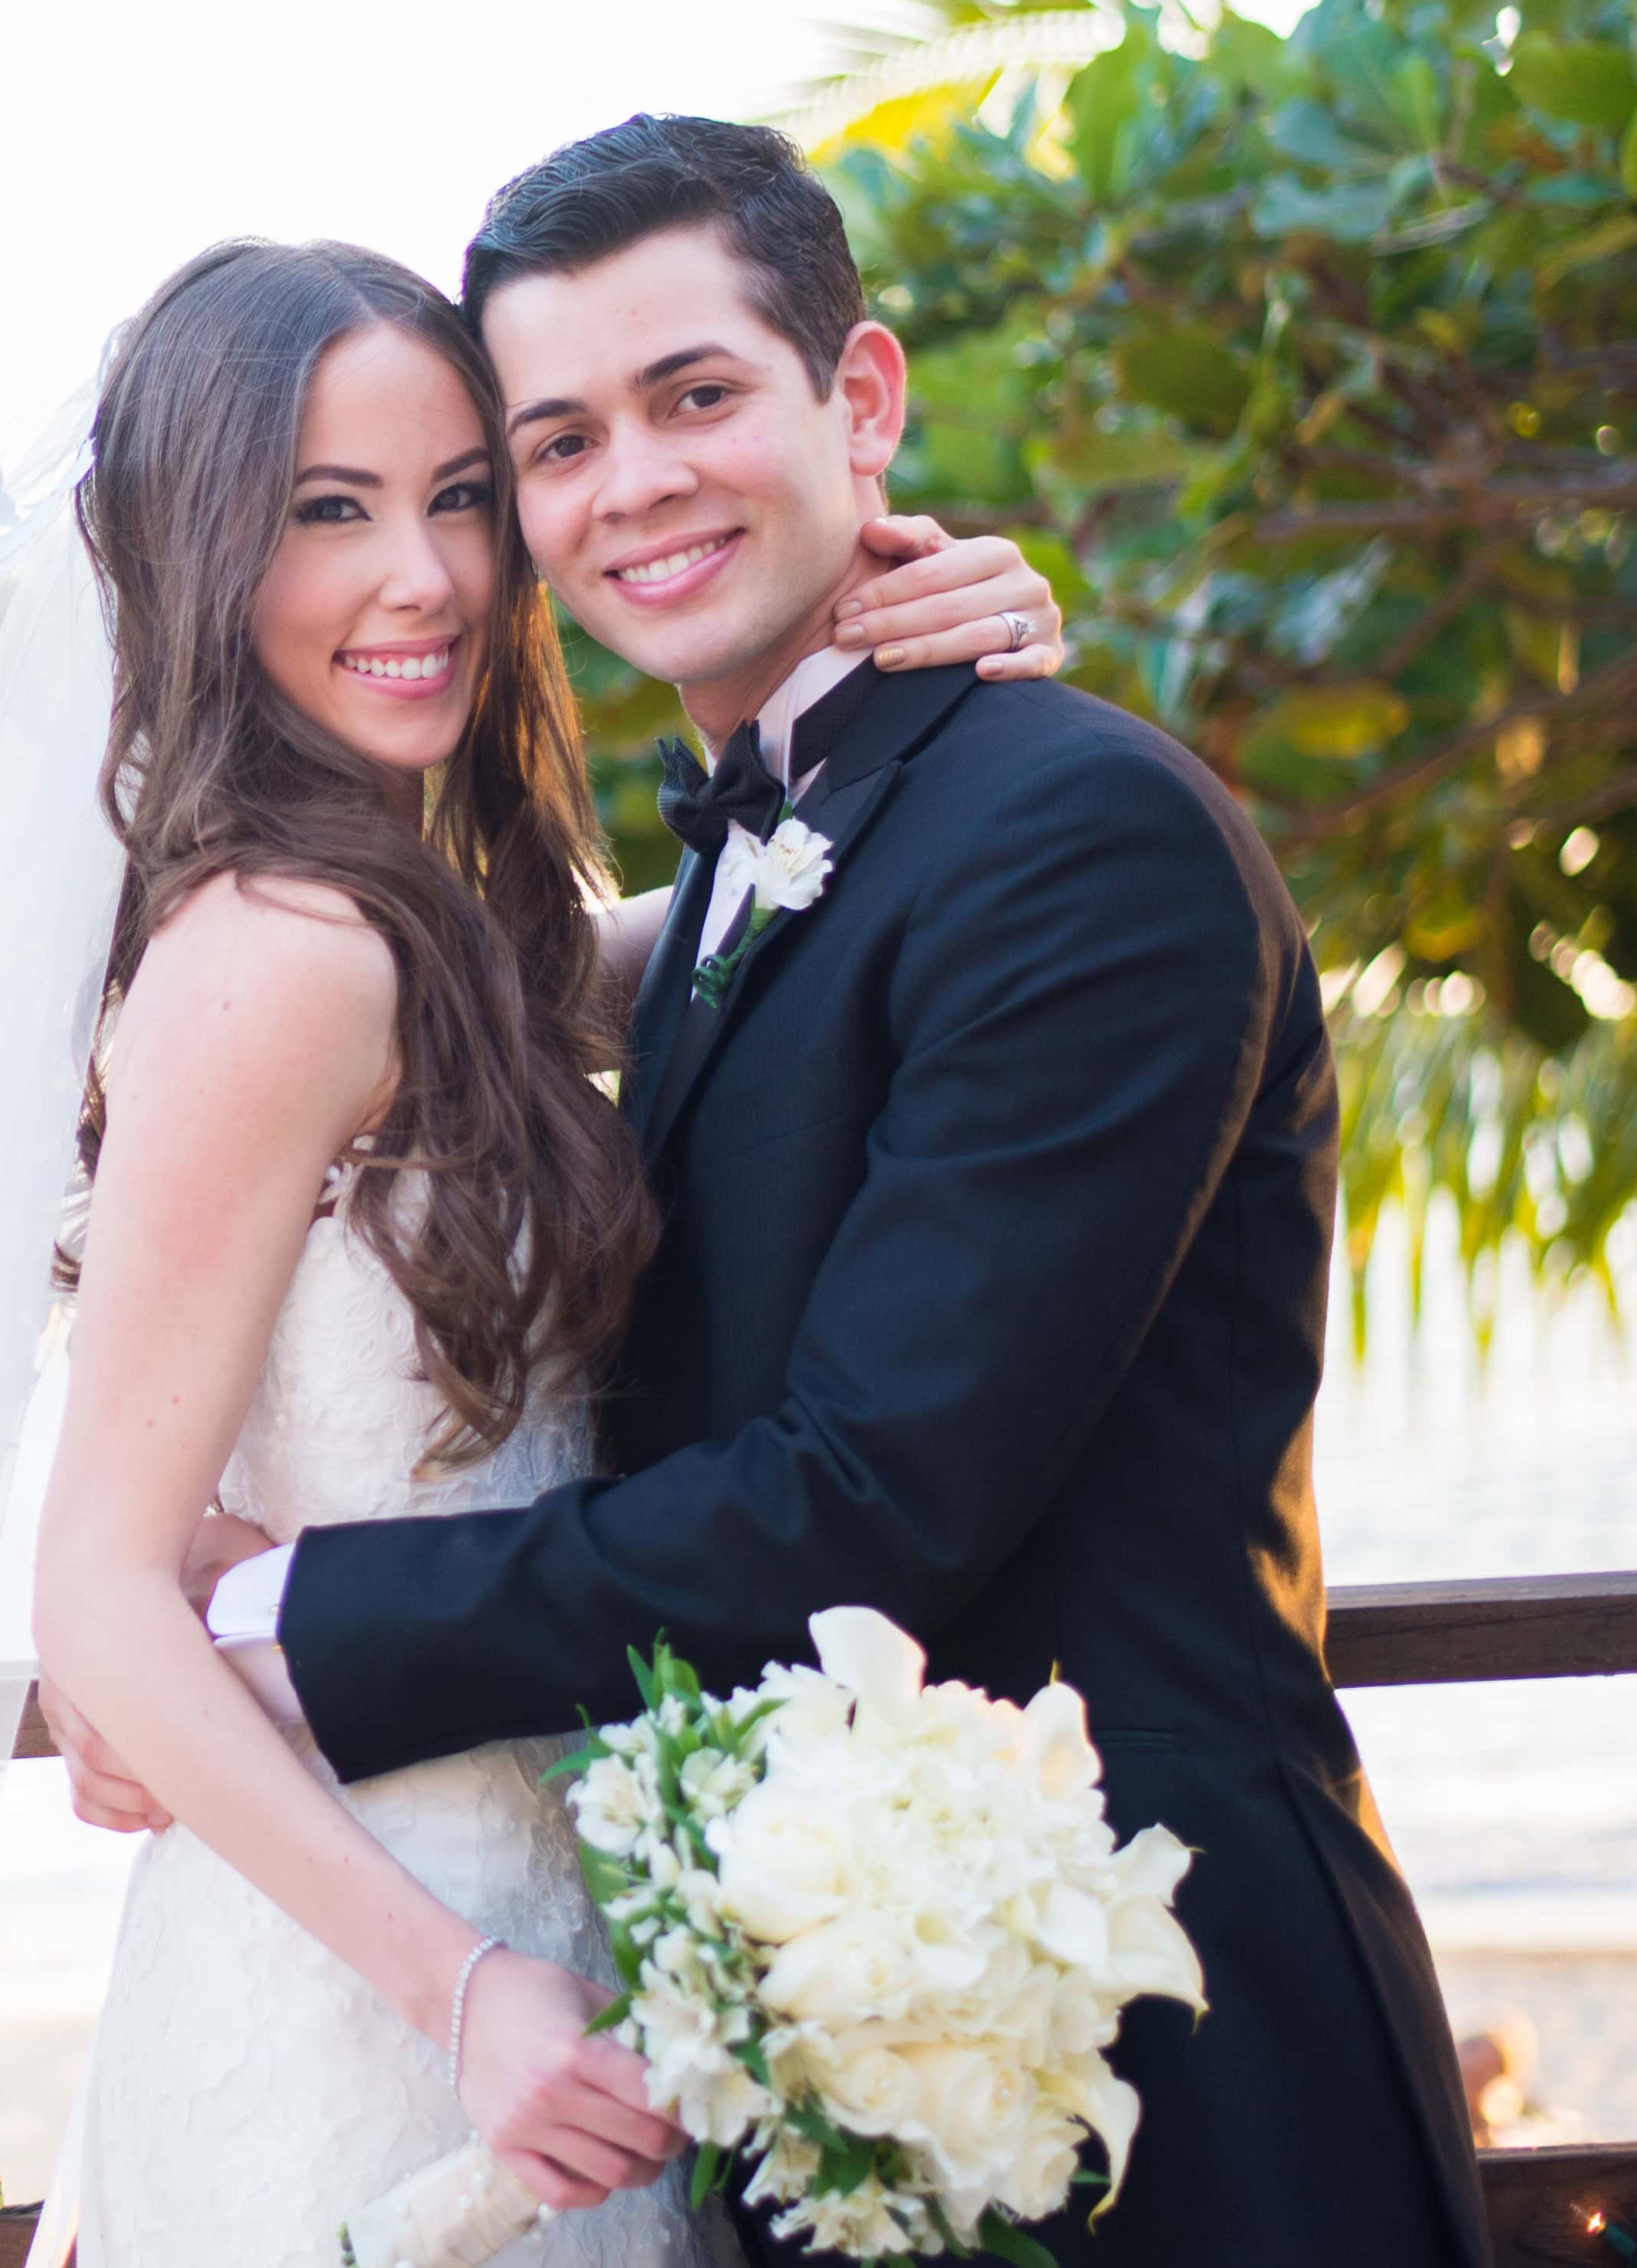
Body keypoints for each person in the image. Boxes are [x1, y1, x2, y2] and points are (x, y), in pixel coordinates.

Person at [80, 117, 1484, 2263]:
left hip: (1158, 2069)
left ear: (867, 399)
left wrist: (269, 1628)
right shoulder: (483, 918)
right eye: (550, 444)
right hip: (645, 2005)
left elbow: (866, 1498)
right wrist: (144, 1636)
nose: (606, 493)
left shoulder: (1061, 837)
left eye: (697, 399)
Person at [20, 234, 1069, 2267]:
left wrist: (906, 639)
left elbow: (761, 953)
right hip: (376, 1976)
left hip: (546, 1905)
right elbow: (100, 1580)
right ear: (193, 555)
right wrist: (463, 1992)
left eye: (459, 499)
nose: (422, 577)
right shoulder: (276, 962)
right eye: (328, 513)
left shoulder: (428, 931)